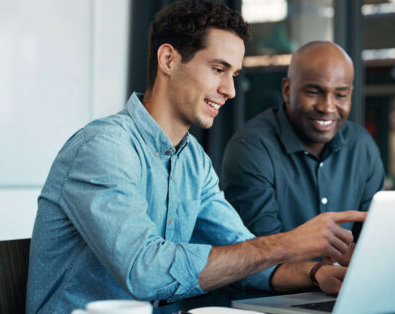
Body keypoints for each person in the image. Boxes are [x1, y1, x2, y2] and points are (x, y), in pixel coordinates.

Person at [25, 2, 365, 313]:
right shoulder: (102, 148)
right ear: (169, 60)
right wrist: (289, 243)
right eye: (218, 69)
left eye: (234, 75)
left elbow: (243, 252)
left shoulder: (193, 162)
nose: (230, 90)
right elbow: (145, 271)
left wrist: (319, 273)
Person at [221, 41, 385, 245]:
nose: (327, 107)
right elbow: (261, 252)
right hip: (282, 275)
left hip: (347, 277)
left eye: (340, 95)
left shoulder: (361, 146)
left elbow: (373, 237)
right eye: (314, 92)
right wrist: (321, 273)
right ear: (288, 90)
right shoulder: (251, 148)